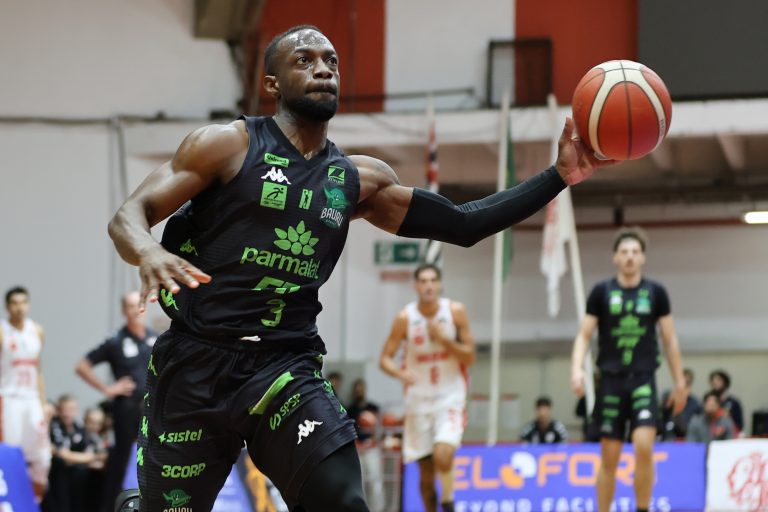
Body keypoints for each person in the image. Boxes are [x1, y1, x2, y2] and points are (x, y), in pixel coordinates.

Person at [107, 24, 609, 512]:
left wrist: (559, 175)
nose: (323, 69)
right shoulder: (226, 145)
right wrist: (148, 251)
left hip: (283, 364)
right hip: (196, 361)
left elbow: (463, 224)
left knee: (342, 499)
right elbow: (129, 215)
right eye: (304, 60)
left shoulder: (355, 179)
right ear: (272, 84)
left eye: (331, 61)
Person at [570, 227, 687, 512]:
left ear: (643, 257)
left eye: (635, 252)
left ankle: (642, 508)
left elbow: (669, 339)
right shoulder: (602, 291)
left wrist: (680, 382)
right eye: (624, 252)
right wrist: (576, 369)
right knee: (609, 457)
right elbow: (584, 335)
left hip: (643, 380)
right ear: (615, 257)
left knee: (644, 446)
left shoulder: (656, 292)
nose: (630, 257)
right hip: (610, 381)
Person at [379, 264, 476, 512]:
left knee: (443, 454)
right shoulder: (405, 318)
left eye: (432, 280)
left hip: (450, 397)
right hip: (418, 401)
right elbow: (384, 359)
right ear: (415, 286)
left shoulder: (455, 312)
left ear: (440, 284)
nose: (428, 286)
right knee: (426, 472)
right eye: (423, 281)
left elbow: (470, 356)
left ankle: (449, 501)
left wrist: (445, 340)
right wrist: (399, 373)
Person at [75, 291, 157, 511]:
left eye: (138, 305)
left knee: (154, 456)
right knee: (120, 459)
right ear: (123, 311)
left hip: (151, 408)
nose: (135, 310)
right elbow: (82, 366)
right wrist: (108, 389)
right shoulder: (116, 339)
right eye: (130, 306)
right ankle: (109, 507)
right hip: (126, 408)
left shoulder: (154, 338)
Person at [0, 286, 51, 498]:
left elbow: (38, 369)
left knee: (43, 456)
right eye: (14, 303)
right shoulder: (2, 331)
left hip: (32, 400)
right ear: (7, 306)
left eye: (23, 302)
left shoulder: (37, 331)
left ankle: (34, 500)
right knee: (11, 452)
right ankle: (9, 500)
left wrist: (43, 402)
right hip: (8, 398)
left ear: (28, 305)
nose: (19, 307)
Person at [45, 395, 102, 512]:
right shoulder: (54, 426)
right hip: (56, 476)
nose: (67, 414)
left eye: (71, 410)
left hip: (75, 479)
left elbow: (90, 454)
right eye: (64, 409)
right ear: (59, 410)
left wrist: (79, 457)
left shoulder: (78, 428)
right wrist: (86, 457)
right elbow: (63, 455)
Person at [347, 378, 384, 512]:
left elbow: (380, 429)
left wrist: (372, 441)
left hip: (372, 449)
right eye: (356, 389)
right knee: (359, 482)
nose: (359, 391)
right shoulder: (350, 409)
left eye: (361, 389)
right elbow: (348, 430)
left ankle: (378, 509)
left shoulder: (373, 408)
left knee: (375, 480)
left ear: (365, 389)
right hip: (357, 449)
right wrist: (357, 444)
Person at [660, 367, 701, 439]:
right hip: (670, 431)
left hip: (687, 433)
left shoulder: (694, 402)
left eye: (688, 381)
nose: (686, 381)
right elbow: (663, 411)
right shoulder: (669, 396)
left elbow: (697, 418)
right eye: (684, 378)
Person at [709, 369, 744, 434]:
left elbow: (739, 425)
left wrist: (727, 418)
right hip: (710, 434)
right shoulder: (709, 401)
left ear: (725, 382)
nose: (715, 382)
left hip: (729, 435)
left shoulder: (734, 403)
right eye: (713, 380)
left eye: (718, 380)